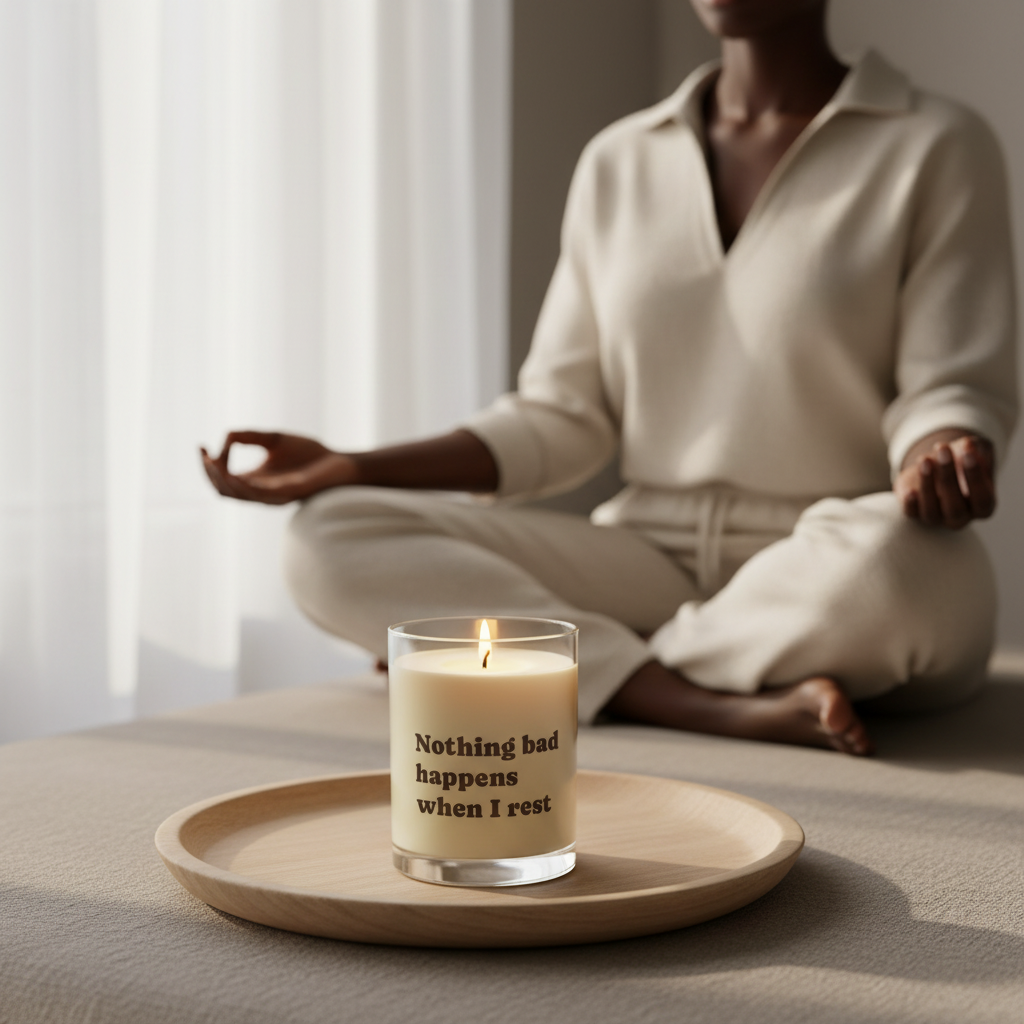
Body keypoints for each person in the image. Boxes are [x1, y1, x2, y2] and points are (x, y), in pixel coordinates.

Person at [202, 0, 1017, 756]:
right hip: (642, 559)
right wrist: (355, 466)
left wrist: (943, 447)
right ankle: (691, 699)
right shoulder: (620, 161)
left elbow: (949, 384)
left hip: (825, 562)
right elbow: (562, 415)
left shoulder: (935, 144)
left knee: (914, 569)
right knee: (329, 535)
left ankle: (562, 664)